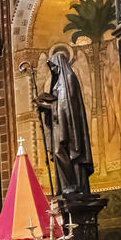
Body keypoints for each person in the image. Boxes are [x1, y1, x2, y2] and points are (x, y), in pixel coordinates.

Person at [44, 51, 94, 196]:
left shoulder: (70, 78)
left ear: (60, 63)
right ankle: (66, 185)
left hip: (69, 125)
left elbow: (69, 103)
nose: (52, 69)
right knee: (58, 151)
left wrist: (52, 105)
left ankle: (74, 185)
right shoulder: (57, 82)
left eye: (54, 66)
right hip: (58, 124)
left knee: (65, 151)